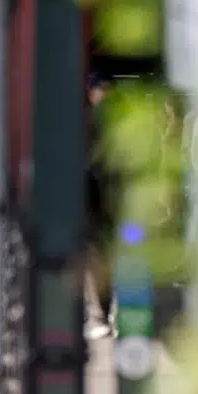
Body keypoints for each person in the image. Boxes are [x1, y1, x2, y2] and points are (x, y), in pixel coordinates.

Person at [84, 74, 117, 340]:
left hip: (103, 204)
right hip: (102, 203)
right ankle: (104, 313)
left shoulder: (86, 123)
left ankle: (102, 314)